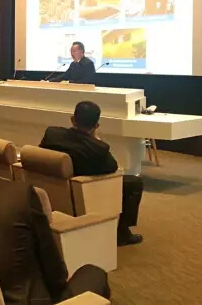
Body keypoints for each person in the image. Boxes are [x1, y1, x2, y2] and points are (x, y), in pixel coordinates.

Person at [0, 130, 110, 305]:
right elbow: (49, 255)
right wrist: (61, 283)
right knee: (94, 273)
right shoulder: (20, 193)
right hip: (28, 300)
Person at [39, 101, 144, 246]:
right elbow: (112, 167)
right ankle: (122, 233)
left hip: (52, 188)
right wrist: (95, 138)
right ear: (97, 125)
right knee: (134, 183)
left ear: (72, 119)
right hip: (85, 190)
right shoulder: (97, 149)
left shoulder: (52, 134)